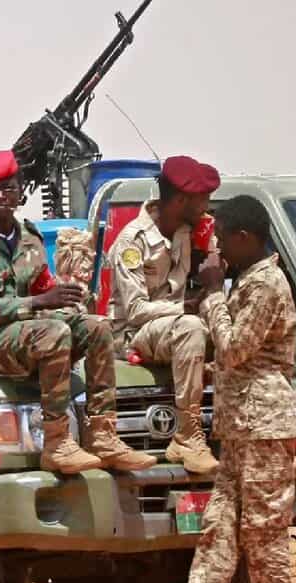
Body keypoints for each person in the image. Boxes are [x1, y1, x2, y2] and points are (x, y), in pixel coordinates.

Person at [135, 195, 296, 583]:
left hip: (265, 428)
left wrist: (211, 295)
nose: (219, 250)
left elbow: (233, 348)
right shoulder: (249, 281)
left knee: (263, 530)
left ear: (246, 238)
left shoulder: (266, 284)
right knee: (218, 530)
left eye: (225, 238)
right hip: (241, 429)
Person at [0, 150, 155, 474]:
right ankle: (57, 442)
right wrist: (37, 304)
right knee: (53, 333)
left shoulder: (30, 237)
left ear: (20, 192)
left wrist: (67, 297)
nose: (2, 197)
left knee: (96, 327)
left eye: (8, 188)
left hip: (22, 330)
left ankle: (104, 435)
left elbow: (43, 287)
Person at [107, 155, 220, 474]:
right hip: (133, 333)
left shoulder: (189, 231)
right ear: (180, 200)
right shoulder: (133, 241)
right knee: (191, 327)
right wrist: (184, 308)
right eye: (202, 199)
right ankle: (188, 435)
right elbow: (136, 310)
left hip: (171, 328)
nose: (206, 206)